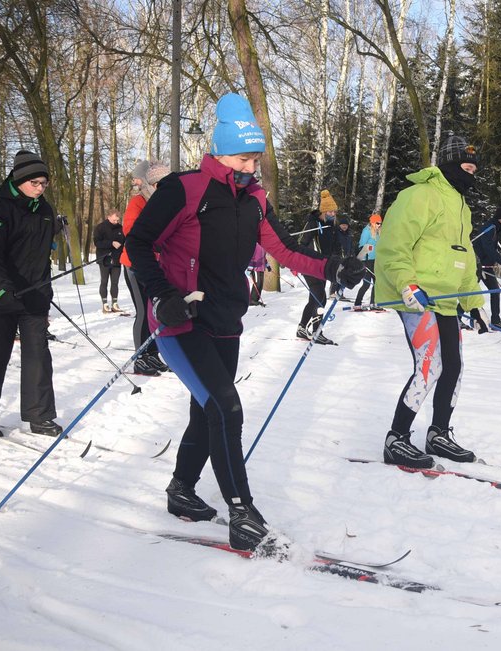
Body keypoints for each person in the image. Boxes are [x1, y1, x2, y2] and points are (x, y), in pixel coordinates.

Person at [126, 92, 364, 553]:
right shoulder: (184, 188)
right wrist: (164, 295)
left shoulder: (254, 199)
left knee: (207, 408)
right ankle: (242, 512)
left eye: (255, 157)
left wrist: (332, 267)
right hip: (182, 319)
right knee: (226, 408)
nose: (250, 166)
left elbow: (286, 251)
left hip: (225, 319)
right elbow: (138, 243)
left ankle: (181, 489)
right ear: (218, 151)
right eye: (242, 156)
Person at [375, 132, 488, 470]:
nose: (470, 174)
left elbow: (464, 257)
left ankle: (438, 433)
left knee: (454, 365)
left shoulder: (461, 205)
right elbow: (393, 245)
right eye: (465, 167)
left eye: (474, 169)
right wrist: (407, 283)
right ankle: (396, 438)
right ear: (451, 165)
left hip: (447, 298)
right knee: (430, 365)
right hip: (417, 296)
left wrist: (474, 303)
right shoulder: (419, 195)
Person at [0, 150, 64, 437]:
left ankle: (40, 415)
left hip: (34, 295)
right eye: (35, 182)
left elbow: (42, 255)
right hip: (1, 296)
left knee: (38, 355)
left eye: (44, 183)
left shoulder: (45, 211)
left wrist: (45, 291)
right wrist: (1, 289)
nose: (40, 188)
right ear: (19, 180)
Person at [120, 160, 171, 376]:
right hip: (135, 265)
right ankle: (140, 357)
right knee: (143, 311)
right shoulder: (138, 202)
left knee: (154, 311)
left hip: (155, 265)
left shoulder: (159, 202)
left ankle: (152, 353)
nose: (136, 183)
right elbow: (130, 230)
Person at [296, 190, 339, 344]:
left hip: (323, 267)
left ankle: (302, 327)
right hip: (310, 265)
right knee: (320, 298)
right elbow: (301, 243)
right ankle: (316, 331)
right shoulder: (313, 223)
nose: (333, 214)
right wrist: (296, 263)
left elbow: (332, 248)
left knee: (315, 299)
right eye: (330, 211)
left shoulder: (330, 225)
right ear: (323, 211)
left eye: (334, 211)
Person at [472, 205, 501, 330]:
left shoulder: (496, 227)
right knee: (471, 292)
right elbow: (487, 248)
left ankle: (496, 320)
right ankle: (458, 317)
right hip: (478, 265)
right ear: (499, 218)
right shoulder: (491, 227)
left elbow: (493, 248)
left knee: (495, 291)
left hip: (486, 265)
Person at [93, 209, 125, 313]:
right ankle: (105, 304)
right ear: (109, 217)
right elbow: (97, 243)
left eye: (118, 220)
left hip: (117, 260)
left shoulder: (121, 228)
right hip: (104, 259)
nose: (116, 222)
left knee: (115, 282)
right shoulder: (100, 227)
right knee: (104, 281)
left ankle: (115, 304)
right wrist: (111, 243)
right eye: (114, 220)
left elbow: (124, 242)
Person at [354, 213, 381, 309]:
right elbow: (361, 245)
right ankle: (357, 304)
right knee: (366, 283)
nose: (379, 225)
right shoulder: (366, 231)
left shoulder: (378, 232)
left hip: (375, 260)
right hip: (366, 260)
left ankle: (373, 303)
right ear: (372, 223)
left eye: (380, 223)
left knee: (377, 282)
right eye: (377, 223)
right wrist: (364, 253)